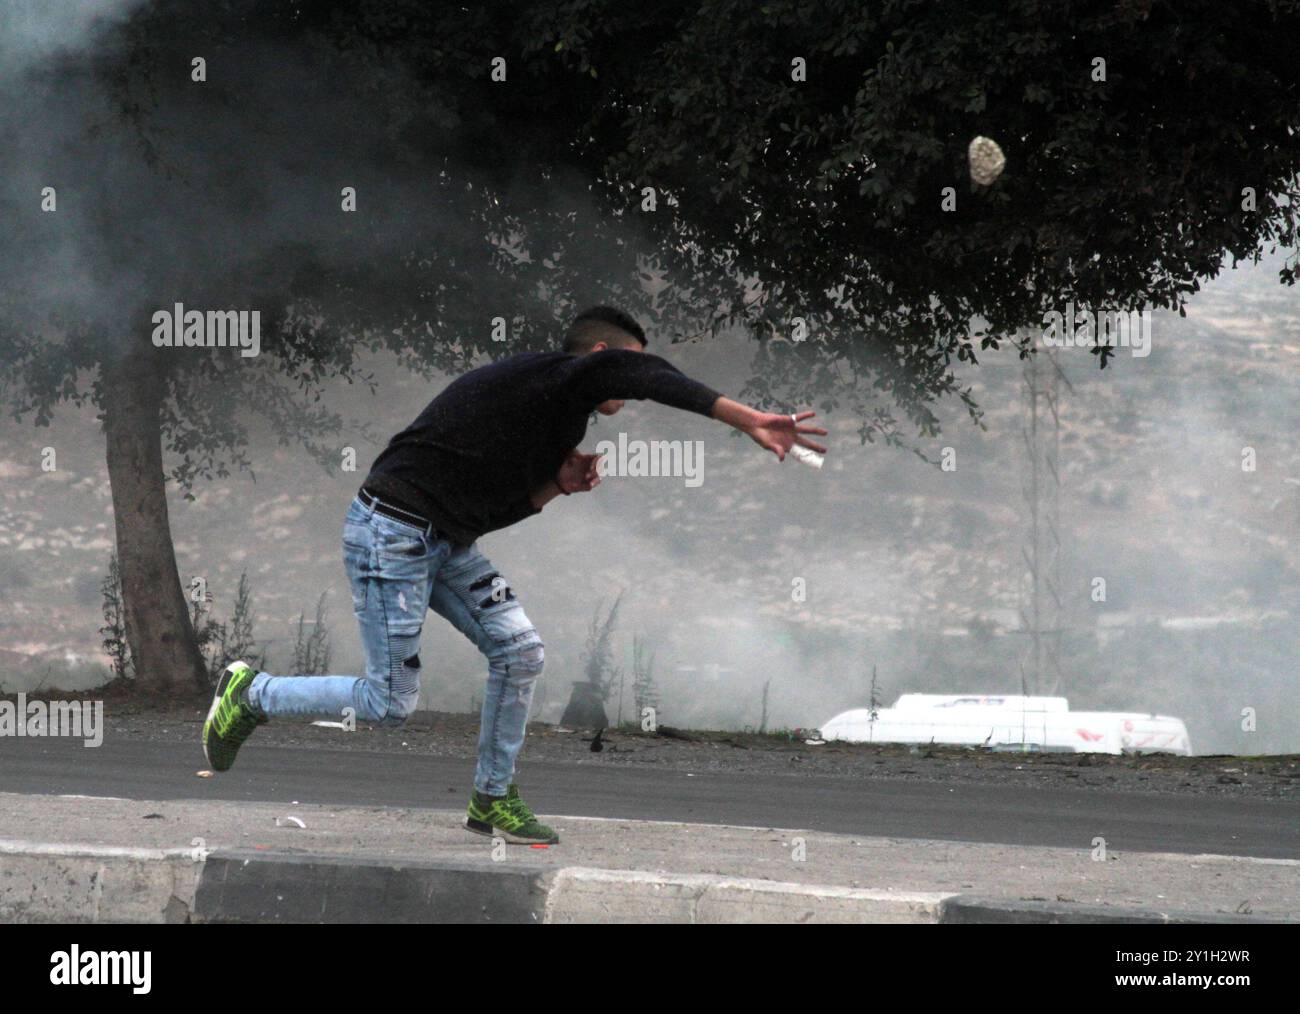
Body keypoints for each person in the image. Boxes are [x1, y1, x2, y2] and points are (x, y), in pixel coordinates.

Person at [202, 305, 828, 844]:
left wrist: (555, 486)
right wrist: (743, 416)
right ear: (602, 353)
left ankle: (490, 799)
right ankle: (250, 694)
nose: (636, 383)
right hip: (389, 532)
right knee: (390, 701)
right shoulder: (561, 376)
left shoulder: (556, 415)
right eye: (635, 362)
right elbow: (629, 372)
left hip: (442, 539)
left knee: (521, 651)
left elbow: (490, 512)